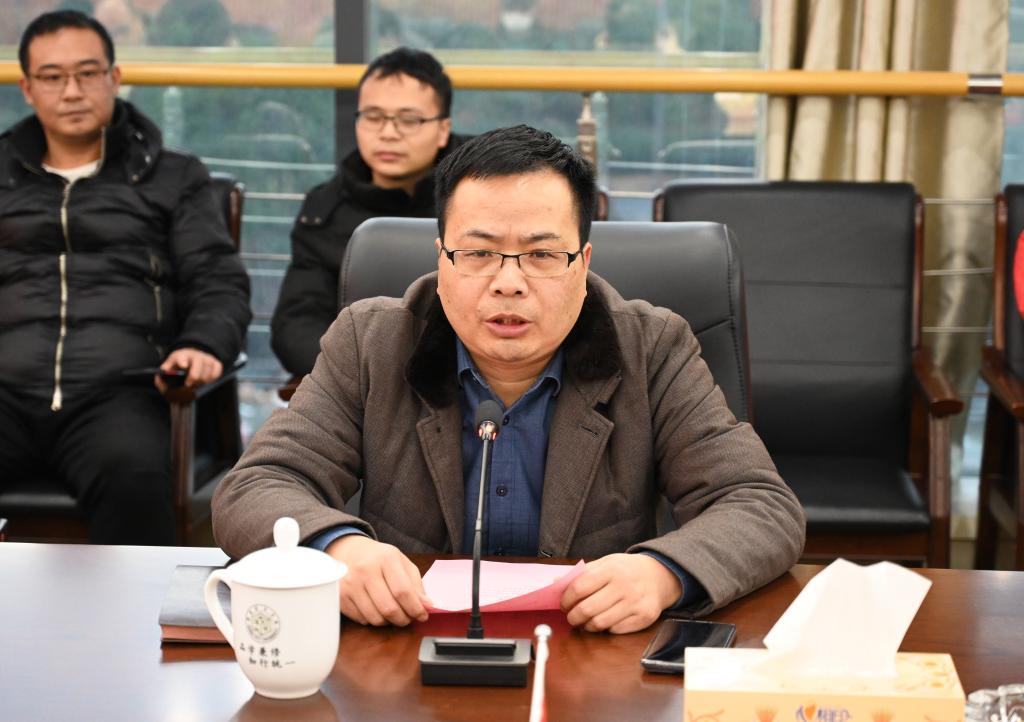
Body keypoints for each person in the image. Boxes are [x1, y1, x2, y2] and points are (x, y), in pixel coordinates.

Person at [213, 125, 804, 634]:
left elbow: (759, 505)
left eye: (542, 255)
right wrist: (336, 548)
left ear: (583, 264)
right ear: (442, 258)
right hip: (407, 646)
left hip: (590, 657)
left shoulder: (653, 349)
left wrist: (662, 573)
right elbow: (258, 484)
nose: (508, 282)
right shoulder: (371, 343)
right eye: (478, 253)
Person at [0, 10, 251, 544]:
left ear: (114, 78)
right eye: (53, 77)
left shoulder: (172, 176)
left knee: (133, 476)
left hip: (119, 394)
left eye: (87, 73)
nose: (72, 91)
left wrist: (203, 344)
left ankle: (142, 605)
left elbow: (217, 278)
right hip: (6, 390)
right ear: (27, 88)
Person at [271, 47, 467, 378]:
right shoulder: (325, 210)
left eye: (409, 120)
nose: (387, 133)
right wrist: (364, 378)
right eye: (373, 117)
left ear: (443, 129)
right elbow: (296, 324)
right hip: (360, 383)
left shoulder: (481, 190)